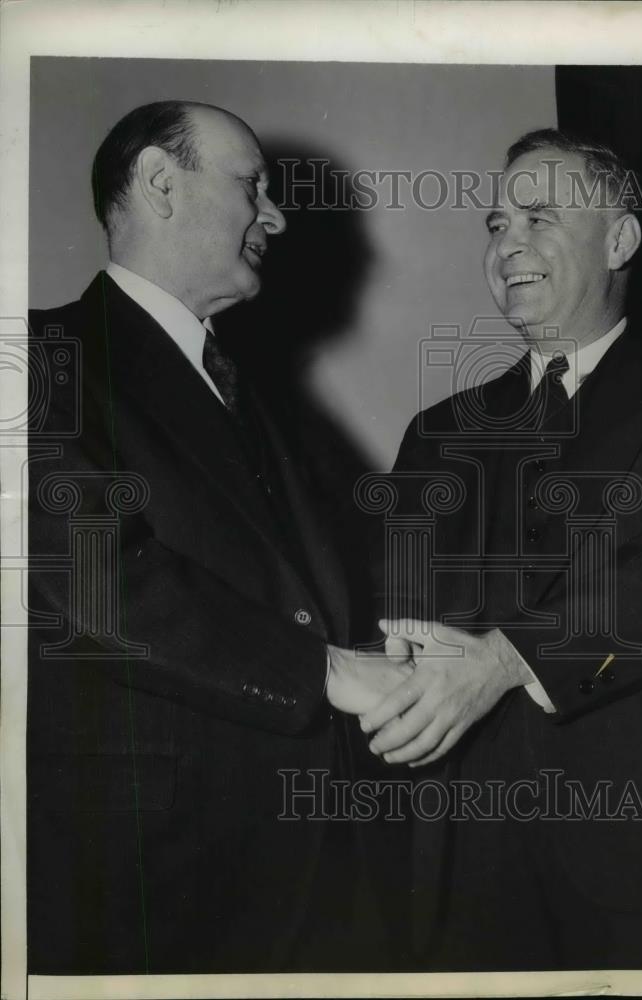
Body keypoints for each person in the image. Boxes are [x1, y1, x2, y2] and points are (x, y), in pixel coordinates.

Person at [27, 100, 409, 974]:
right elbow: (90, 571)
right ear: (162, 184)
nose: (274, 216)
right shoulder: (40, 361)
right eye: (253, 187)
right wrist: (325, 670)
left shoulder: (248, 389)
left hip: (305, 860)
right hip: (152, 872)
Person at [361, 129, 642, 970]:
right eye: (495, 224)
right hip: (466, 864)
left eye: (538, 218)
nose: (506, 245)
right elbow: (398, 622)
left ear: (621, 239)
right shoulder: (437, 431)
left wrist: (507, 659)